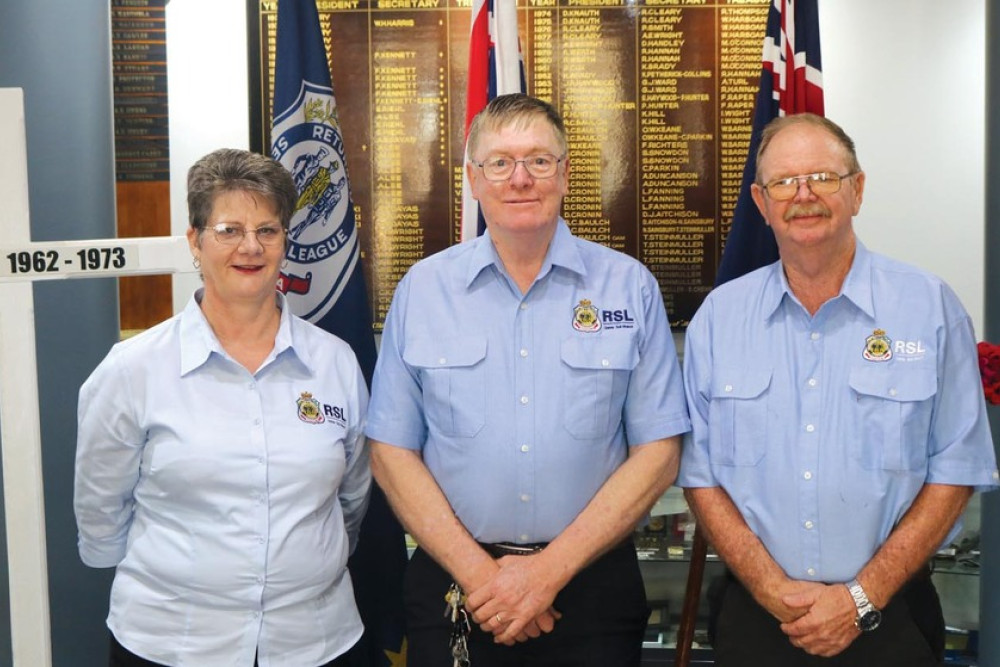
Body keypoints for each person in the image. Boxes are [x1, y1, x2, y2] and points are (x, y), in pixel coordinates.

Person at [364, 93, 690, 666]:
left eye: (539, 161)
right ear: (472, 177)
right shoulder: (423, 290)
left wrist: (548, 572)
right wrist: (482, 576)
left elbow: (659, 451)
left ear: (564, 174)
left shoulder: (627, 288)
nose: (521, 179)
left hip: (591, 589)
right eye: (500, 162)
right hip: (458, 588)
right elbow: (391, 450)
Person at [677, 113, 999, 666]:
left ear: (858, 189)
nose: (804, 196)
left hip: (891, 616)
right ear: (760, 201)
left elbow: (956, 468)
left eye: (823, 177)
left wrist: (861, 597)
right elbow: (700, 477)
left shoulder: (929, 308)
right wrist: (773, 591)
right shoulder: (719, 319)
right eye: (784, 182)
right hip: (759, 618)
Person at [74, 148, 371, 667]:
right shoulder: (133, 369)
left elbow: (352, 498)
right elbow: (101, 513)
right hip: (173, 644)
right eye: (229, 229)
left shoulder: (335, 364)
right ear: (195, 241)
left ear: (285, 240)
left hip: (314, 642)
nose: (250, 247)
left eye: (269, 230)